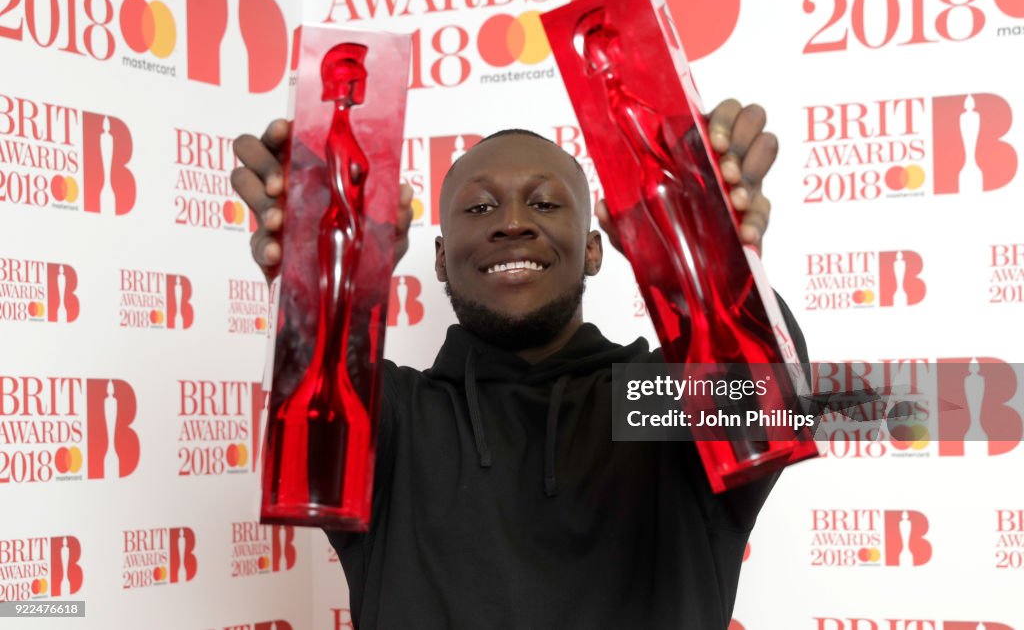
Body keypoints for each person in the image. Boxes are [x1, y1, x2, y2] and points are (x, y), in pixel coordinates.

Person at [231, 100, 804, 629]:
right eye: (479, 207)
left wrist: (722, 271)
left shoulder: (656, 402)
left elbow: (779, 409)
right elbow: (313, 407)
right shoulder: (392, 419)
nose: (511, 222)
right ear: (439, 259)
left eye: (545, 203)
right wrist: (315, 282)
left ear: (593, 248)